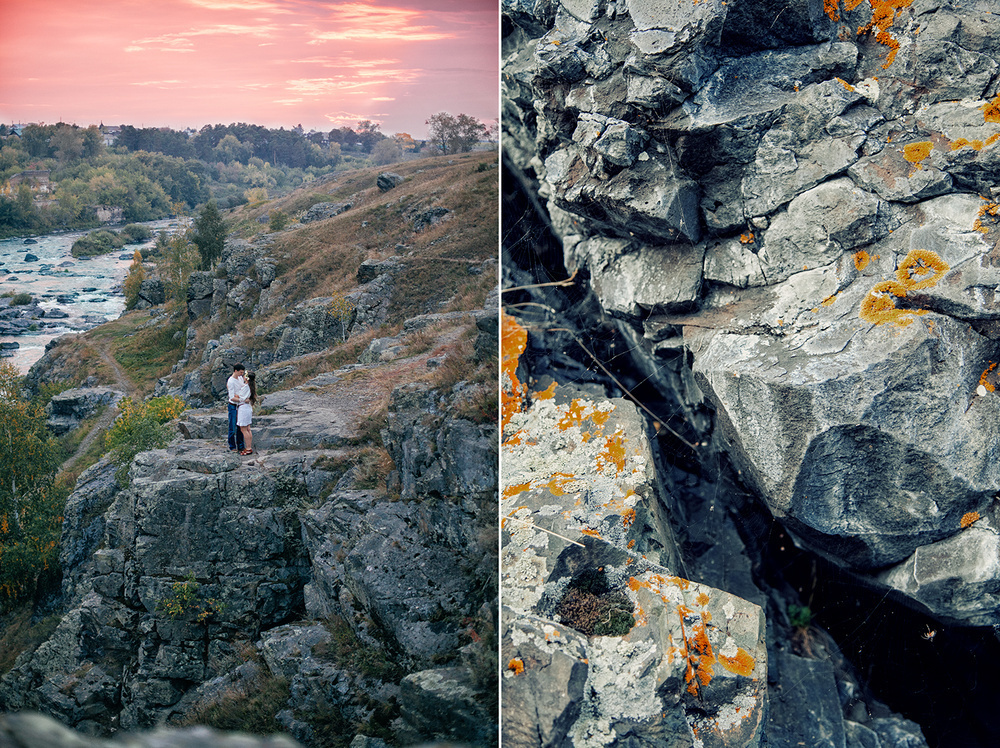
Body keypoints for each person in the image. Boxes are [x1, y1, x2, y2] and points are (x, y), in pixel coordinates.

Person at [226, 363, 246, 452]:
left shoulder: (240, 378)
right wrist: (242, 399)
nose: (241, 374)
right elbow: (231, 397)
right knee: (232, 427)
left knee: (240, 426)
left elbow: (242, 387)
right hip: (233, 406)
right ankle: (232, 446)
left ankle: (241, 446)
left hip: (240, 406)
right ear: (236, 371)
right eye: (240, 372)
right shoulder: (231, 381)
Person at [237, 372, 256, 456]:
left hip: (243, 408)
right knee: (248, 428)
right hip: (247, 408)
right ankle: (249, 446)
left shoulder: (246, 387)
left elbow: (240, 396)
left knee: (243, 429)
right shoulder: (251, 387)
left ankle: (248, 448)